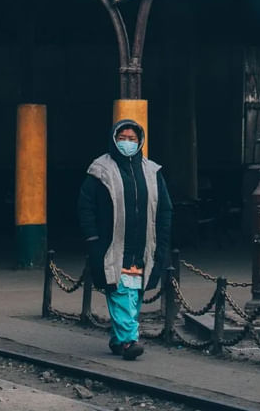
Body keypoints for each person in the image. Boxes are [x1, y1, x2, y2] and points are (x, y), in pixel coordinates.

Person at [77, 119, 172, 361]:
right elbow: (85, 206)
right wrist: (93, 238)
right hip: (112, 246)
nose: (127, 143)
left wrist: (162, 241)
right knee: (120, 290)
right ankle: (130, 341)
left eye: (132, 139)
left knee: (135, 293)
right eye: (122, 138)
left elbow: (164, 209)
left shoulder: (152, 171)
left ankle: (118, 340)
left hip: (143, 246)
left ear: (140, 141)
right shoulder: (100, 170)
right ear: (113, 139)